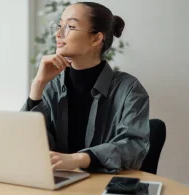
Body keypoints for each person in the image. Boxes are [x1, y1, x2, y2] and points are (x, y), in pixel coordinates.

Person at [21, 2, 150, 174]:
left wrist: (78, 159)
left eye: (70, 27)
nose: (58, 33)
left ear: (96, 38)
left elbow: (134, 146)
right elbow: (24, 145)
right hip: (57, 184)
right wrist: (37, 86)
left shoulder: (128, 89)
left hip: (103, 185)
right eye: (60, 26)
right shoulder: (51, 86)